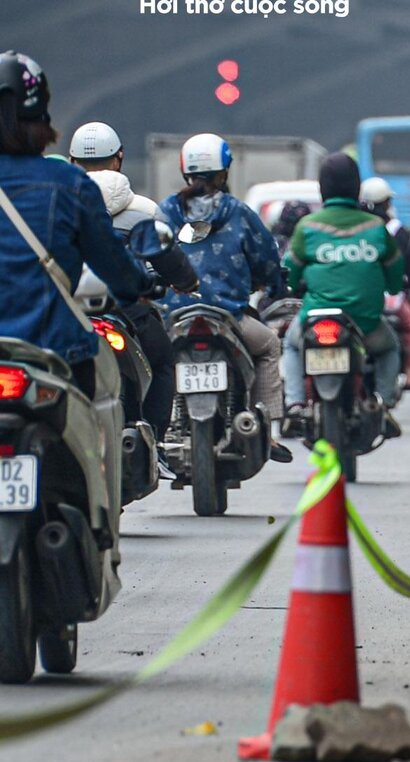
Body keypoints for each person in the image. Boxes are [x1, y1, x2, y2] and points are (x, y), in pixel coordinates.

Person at [0, 53, 144, 406]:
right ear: (42, 117)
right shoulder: (70, 185)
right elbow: (113, 264)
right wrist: (138, 286)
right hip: (57, 353)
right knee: (103, 415)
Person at [157, 131, 292, 461]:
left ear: (184, 171)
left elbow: (148, 256)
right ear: (224, 172)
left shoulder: (166, 211)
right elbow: (266, 258)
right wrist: (273, 286)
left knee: (155, 360)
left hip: (174, 315)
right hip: (228, 315)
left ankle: (154, 429)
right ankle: (268, 431)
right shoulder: (238, 211)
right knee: (269, 346)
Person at [67, 120, 192, 445]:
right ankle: (155, 444)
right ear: (119, 158)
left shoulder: (60, 205)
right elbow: (169, 258)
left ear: (71, 161)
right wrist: (184, 281)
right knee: (163, 362)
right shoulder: (144, 210)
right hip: (127, 311)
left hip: (67, 311)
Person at [280, 153, 405, 435]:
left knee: (290, 344)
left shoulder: (307, 227)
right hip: (365, 323)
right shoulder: (376, 227)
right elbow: (395, 277)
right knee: (389, 348)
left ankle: (296, 404)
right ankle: (383, 403)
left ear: (323, 188)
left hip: (315, 319)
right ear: (356, 187)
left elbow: (290, 274)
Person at [359, 175, 410, 388]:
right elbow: (404, 265)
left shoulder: (358, 226)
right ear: (386, 202)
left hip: (361, 292)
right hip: (389, 294)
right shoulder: (396, 232)